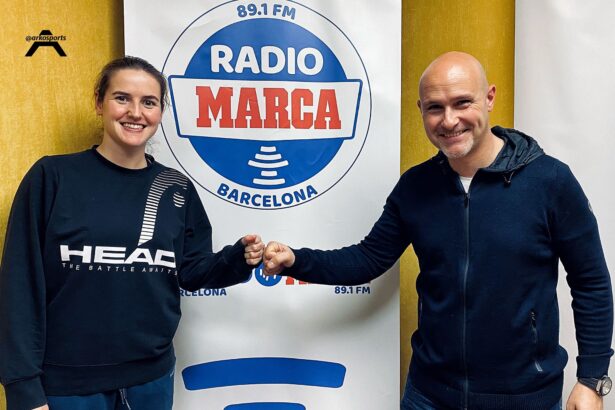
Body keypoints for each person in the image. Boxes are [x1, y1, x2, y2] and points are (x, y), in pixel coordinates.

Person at [263, 51, 613, 410]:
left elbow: (591, 282)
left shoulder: (550, 181)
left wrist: (592, 379)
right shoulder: (416, 186)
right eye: (435, 108)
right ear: (421, 110)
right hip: (429, 396)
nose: (449, 120)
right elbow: (368, 258)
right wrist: (296, 261)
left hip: (524, 399)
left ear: (489, 98)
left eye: (462, 103)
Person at [0, 56, 264, 410]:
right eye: (122, 98)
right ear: (99, 102)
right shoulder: (52, 177)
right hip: (67, 387)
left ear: (160, 112)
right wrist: (23, 388)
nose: (135, 112)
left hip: (150, 382)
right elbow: (20, 287)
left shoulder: (176, 187)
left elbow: (191, 271)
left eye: (149, 102)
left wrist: (237, 258)